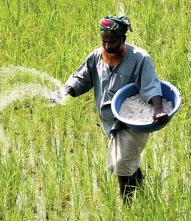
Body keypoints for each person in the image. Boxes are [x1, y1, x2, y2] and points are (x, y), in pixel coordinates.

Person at [63, 15, 169, 205]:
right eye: (104, 41)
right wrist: (65, 90)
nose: (107, 46)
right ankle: (141, 191)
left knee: (121, 163)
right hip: (110, 121)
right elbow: (81, 78)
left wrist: (159, 110)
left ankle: (125, 205)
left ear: (123, 39)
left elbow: (151, 86)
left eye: (112, 42)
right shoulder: (97, 56)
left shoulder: (139, 58)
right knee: (128, 159)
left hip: (133, 122)